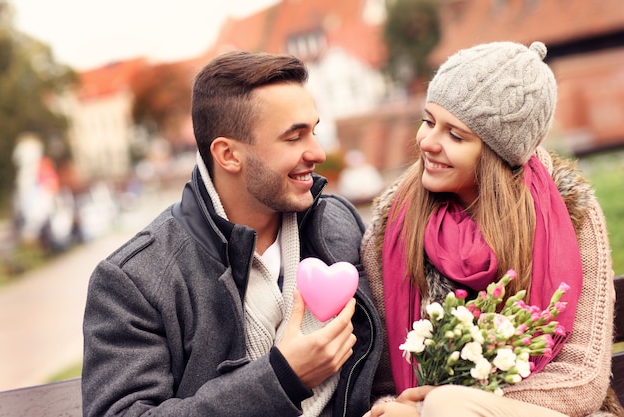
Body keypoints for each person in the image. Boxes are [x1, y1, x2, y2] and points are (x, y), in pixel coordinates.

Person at [81, 51, 382, 417]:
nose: (317, 152)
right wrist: (281, 378)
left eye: (313, 131)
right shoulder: (134, 281)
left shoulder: (338, 221)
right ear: (228, 155)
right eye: (293, 137)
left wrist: (392, 402)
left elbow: (379, 357)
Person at [360, 41, 619, 417]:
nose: (427, 142)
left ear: (499, 154)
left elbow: (581, 377)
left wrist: (451, 405)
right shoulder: (393, 227)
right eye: (429, 121)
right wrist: (397, 408)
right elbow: (387, 381)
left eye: (455, 135)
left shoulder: (570, 210)